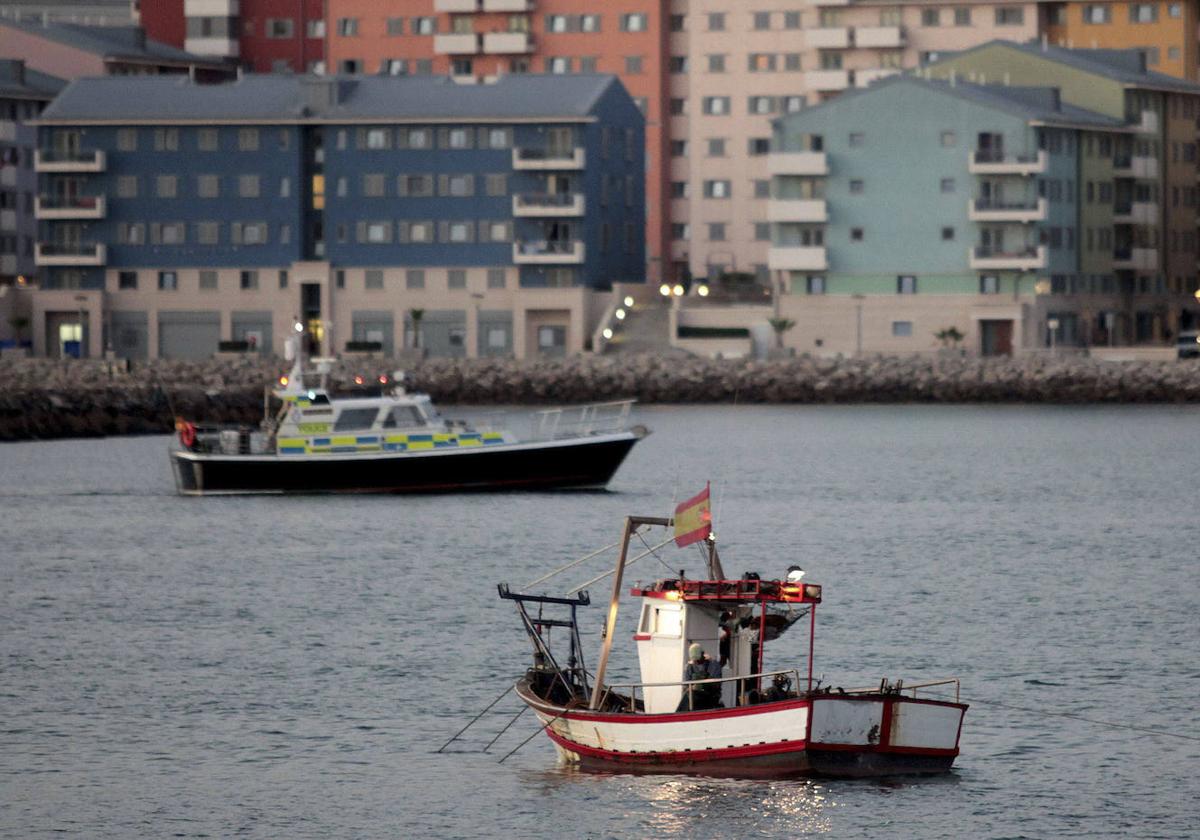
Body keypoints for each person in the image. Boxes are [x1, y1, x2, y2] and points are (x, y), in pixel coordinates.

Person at [678, 643, 722, 711]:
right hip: (693, 695)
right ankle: (679, 716)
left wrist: (703, 685)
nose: (696, 662)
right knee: (687, 696)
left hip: (710, 696)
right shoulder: (690, 666)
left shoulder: (713, 664)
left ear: (703, 654)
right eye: (694, 660)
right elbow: (686, 684)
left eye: (698, 660)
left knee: (691, 697)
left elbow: (716, 684)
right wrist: (691, 687)